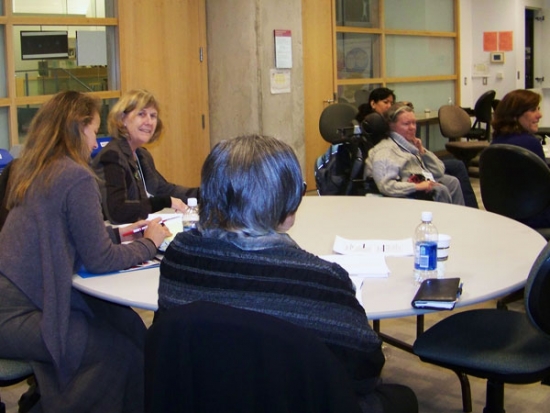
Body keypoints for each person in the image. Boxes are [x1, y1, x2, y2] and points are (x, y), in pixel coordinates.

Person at [157, 134, 418, 413]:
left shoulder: (180, 256)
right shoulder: (321, 280)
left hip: (206, 396)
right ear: (288, 206)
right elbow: (364, 370)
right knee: (403, 397)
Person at [0, 91, 171, 413]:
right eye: (93, 131)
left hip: (18, 296)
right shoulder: (75, 176)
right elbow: (100, 259)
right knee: (119, 349)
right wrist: (148, 243)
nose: (95, 144)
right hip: (19, 313)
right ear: (77, 128)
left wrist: (120, 235)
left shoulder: (38, 168)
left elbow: (67, 232)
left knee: (127, 324)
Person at [358, 87, 478, 208]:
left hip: (414, 179)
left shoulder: (409, 145)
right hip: (402, 192)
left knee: (452, 182)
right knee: (441, 190)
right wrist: (417, 186)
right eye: (406, 124)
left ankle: (462, 218)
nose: (412, 128)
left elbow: (439, 171)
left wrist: (423, 152)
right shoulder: (385, 150)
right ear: (391, 126)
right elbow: (385, 186)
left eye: (414, 123)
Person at [93, 89, 199, 224]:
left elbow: (165, 190)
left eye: (153, 116)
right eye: (141, 114)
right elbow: (117, 212)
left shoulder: (142, 155)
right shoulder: (112, 156)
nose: (149, 122)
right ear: (122, 119)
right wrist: (166, 202)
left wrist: (206, 194)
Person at [491, 89, 545, 160]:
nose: (540, 115)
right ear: (514, 115)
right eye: (532, 110)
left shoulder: (496, 142)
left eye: (538, 109)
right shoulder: (531, 144)